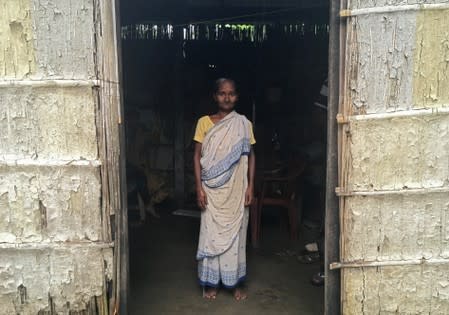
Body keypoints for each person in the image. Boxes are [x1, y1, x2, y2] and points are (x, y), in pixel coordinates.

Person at [193, 78, 256, 300]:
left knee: (237, 236)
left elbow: (250, 156)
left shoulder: (243, 124)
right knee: (211, 234)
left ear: (237, 96)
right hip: (211, 190)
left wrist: (250, 187)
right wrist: (199, 188)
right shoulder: (204, 123)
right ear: (215, 96)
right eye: (222, 93)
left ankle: (234, 284)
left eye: (231, 93)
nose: (227, 97)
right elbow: (197, 155)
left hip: (237, 190)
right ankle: (212, 284)